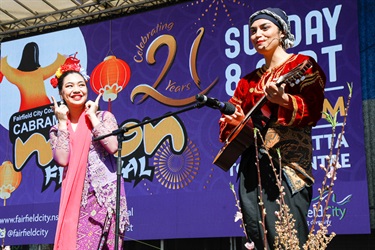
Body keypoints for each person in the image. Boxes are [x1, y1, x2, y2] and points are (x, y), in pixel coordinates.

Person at [218, 8, 326, 250]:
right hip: (252, 164)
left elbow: (314, 110)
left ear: (282, 31)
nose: (257, 34)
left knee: (288, 233)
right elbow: (229, 119)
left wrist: (284, 101)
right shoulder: (248, 80)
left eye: (265, 28)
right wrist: (234, 121)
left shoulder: (303, 65)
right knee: (257, 230)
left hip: (288, 163)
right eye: (253, 31)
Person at [49, 54, 129, 249]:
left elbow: (112, 146)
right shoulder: (57, 129)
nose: (76, 89)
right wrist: (61, 122)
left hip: (106, 200)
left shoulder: (104, 116)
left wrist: (92, 117)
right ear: (61, 94)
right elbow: (62, 159)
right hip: (78, 203)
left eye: (80, 84)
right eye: (69, 86)